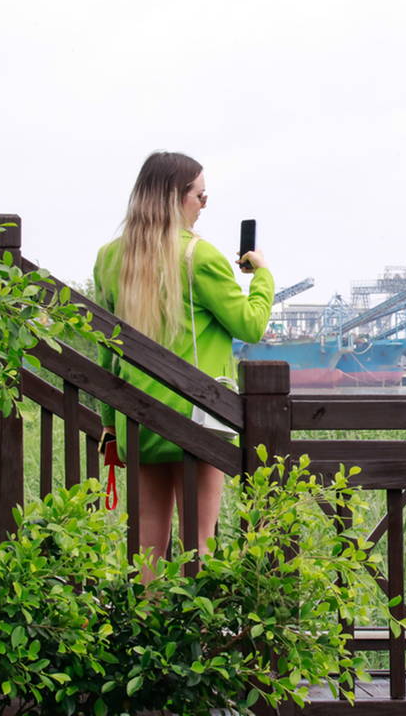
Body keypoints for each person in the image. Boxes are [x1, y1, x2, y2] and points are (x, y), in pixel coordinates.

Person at [94, 151, 274, 578]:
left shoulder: (109, 258)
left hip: (138, 418)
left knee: (146, 549)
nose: (203, 206)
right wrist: (262, 275)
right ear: (177, 198)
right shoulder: (199, 256)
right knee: (200, 544)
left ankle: (147, 619)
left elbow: (106, 351)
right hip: (198, 421)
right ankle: (196, 619)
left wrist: (110, 425)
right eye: (201, 196)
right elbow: (251, 325)